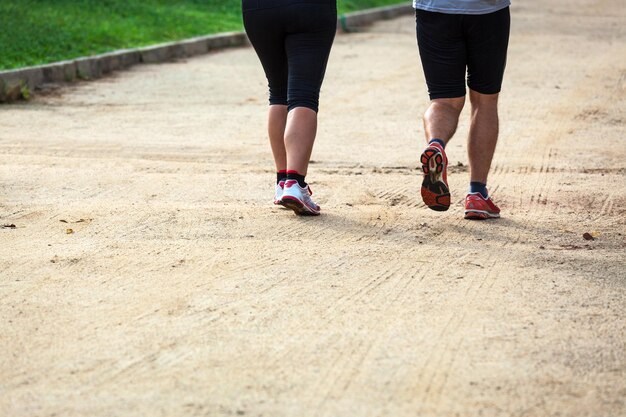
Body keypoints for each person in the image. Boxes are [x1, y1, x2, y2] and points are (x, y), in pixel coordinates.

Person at [414, 0, 511, 219]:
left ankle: (435, 145)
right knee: (484, 101)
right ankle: (477, 193)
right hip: (488, 10)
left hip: (434, 10)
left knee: (443, 101)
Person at [242, 0, 337, 216]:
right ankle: (295, 183)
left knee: (278, 92)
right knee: (304, 95)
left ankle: (282, 182)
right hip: (309, 9)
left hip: (259, 10)